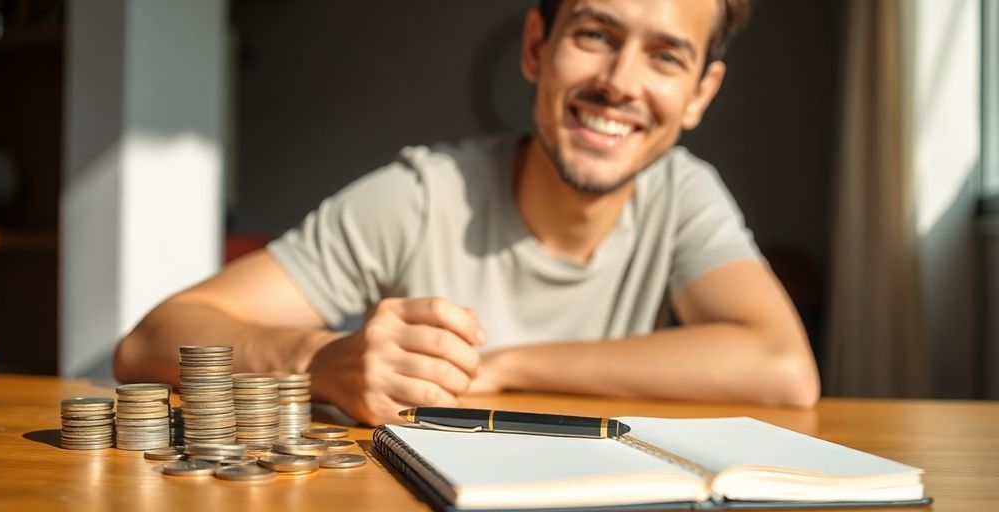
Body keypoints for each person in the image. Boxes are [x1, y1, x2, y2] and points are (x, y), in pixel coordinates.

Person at [114, 0, 820, 425]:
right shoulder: (421, 195)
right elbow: (150, 340)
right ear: (537, 47)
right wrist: (323, 360)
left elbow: (782, 366)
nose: (619, 83)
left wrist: (509, 365)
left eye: (666, 57)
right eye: (596, 36)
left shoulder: (683, 194)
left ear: (700, 93)